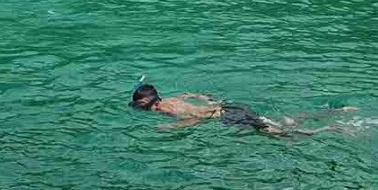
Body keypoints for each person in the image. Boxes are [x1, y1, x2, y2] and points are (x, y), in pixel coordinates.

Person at [130, 83, 354, 138]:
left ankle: (332, 128)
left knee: (281, 136)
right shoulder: (172, 98)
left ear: (153, 103)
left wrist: (171, 127)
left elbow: (195, 118)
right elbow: (195, 95)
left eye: (142, 106)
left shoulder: (168, 109)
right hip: (231, 107)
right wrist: (208, 99)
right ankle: (334, 112)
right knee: (286, 123)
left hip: (229, 115)